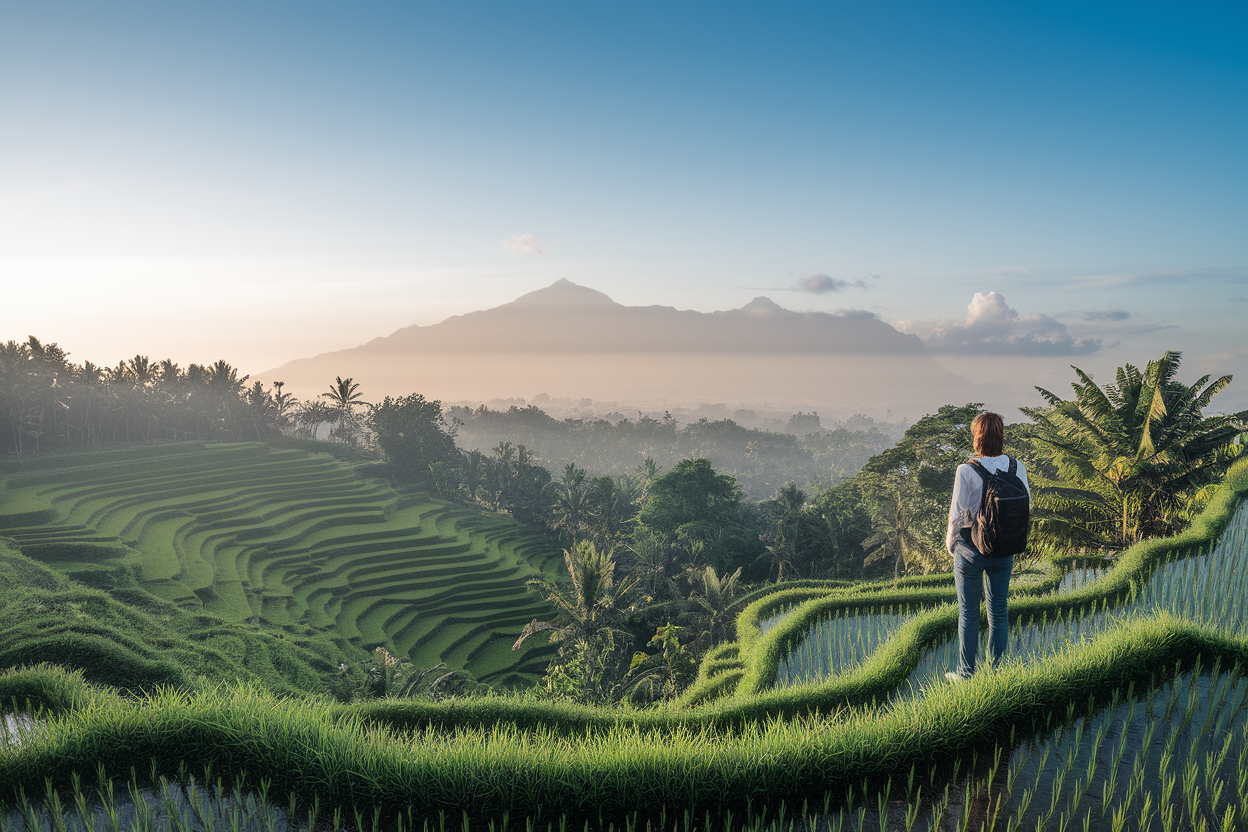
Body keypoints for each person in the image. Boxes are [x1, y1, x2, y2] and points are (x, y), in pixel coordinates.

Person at [945, 411, 1029, 681]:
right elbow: (1026, 506)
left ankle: (966, 674)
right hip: (1003, 548)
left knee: (969, 614)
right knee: (999, 612)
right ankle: (996, 673)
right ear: (1001, 436)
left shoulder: (966, 470)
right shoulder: (1017, 467)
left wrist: (952, 545)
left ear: (977, 437)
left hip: (971, 549)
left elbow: (957, 514)